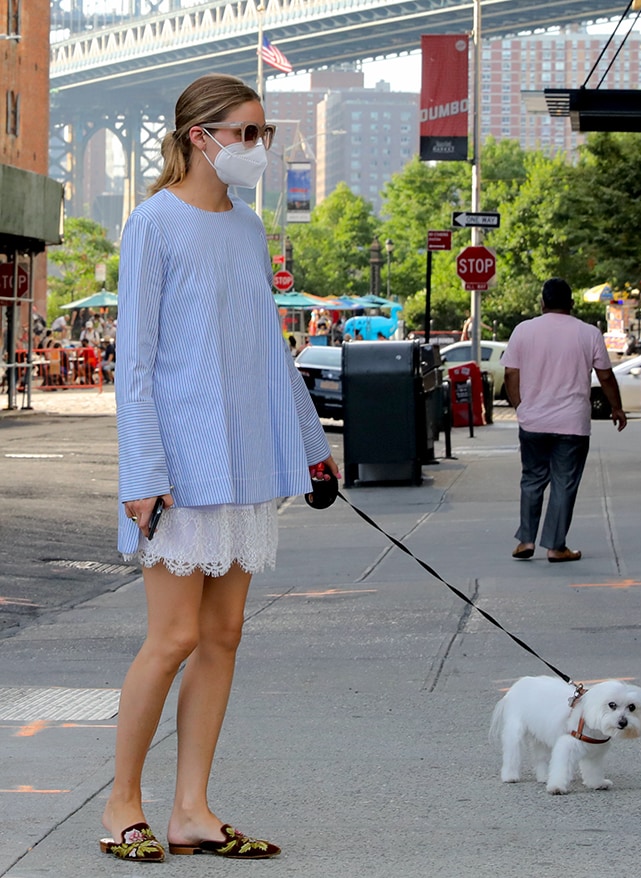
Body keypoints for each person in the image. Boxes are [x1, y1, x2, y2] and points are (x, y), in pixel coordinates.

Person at [102, 73, 339, 863]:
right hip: (178, 465)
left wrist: (310, 444)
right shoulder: (153, 223)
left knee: (224, 634)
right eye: (248, 133)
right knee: (170, 638)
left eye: (263, 134)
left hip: (243, 461)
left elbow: (267, 350)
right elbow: (133, 361)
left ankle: (192, 810)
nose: (259, 148)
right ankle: (121, 807)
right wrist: (141, 470)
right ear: (201, 137)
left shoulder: (246, 228)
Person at [502, 277, 627, 563]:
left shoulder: (523, 330)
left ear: (542, 303)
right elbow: (605, 375)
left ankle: (526, 540)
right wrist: (616, 408)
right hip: (572, 424)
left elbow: (511, 374)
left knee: (532, 479)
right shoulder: (588, 333)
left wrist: (520, 406)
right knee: (564, 482)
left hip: (533, 421)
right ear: (571, 304)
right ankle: (556, 546)